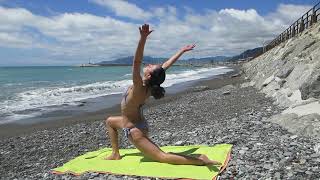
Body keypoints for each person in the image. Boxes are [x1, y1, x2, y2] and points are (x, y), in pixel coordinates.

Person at [105, 24, 221, 166]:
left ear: (148, 75)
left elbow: (136, 61)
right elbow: (166, 65)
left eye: (150, 67)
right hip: (132, 123)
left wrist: (142, 39)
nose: (148, 65)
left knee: (162, 157)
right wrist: (182, 51)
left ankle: (201, 160)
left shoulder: (138, 87)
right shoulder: (151, 83)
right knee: (110, 121)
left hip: (135, 130)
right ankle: (115, 153)